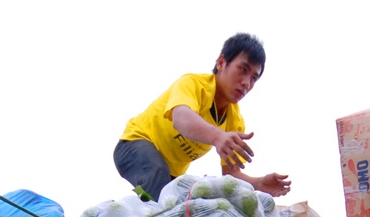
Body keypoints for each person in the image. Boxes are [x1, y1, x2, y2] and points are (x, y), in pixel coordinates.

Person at [114, 33, 291, 201]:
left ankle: (139, 212)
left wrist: (258, 183)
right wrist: (217, 136)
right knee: (159, 188)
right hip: (134, 145)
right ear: (221, 62)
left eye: (254, 78)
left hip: (170, 174)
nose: (247, 83)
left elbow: (231, 174)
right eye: (242, 70)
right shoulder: (194, 85)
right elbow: (181, 118)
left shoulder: (234, 121)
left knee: (182, 205)